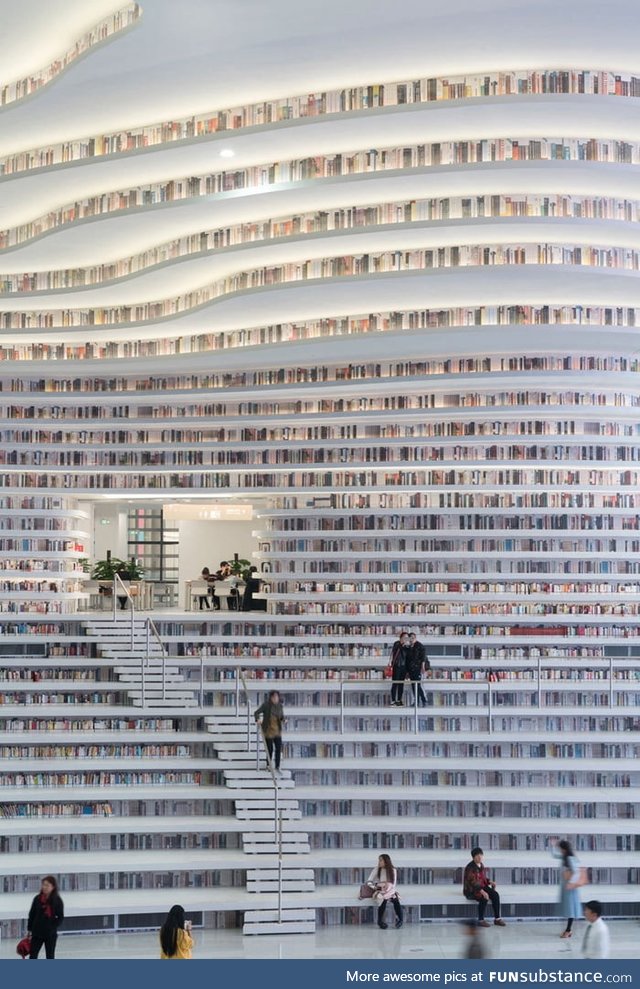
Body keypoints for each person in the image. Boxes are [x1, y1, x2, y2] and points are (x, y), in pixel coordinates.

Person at [463, 847, 506, 927]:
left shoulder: (481, 865)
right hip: (471, 889)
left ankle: (497, 919)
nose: (480, 857)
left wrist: (490, 882)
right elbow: (472, 882)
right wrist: (482, 891)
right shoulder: (470, 867)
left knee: (495, 895)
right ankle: (481, 920)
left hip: (481, 886)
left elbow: (482, 878)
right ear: (473, 857)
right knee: (484, 897)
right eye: (477, 856)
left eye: (481, 855)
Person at [27, 875, 64, 959]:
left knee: (50, 956)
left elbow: (60, 917)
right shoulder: (37, 899)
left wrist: (52, 926)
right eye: (43, 884)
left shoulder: (57, 900)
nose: (44, 887)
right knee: (33, 955)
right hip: (37, 933)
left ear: (53, 887)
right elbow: (31, 914)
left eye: (47, 885)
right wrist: (29, 929)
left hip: (50, 934)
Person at [551, 839, 582, 938]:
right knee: (569, 909)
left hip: (569, 887)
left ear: (564, 849)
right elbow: (554, 855)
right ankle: (568, 930)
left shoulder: (569, 858)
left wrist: (571, 883)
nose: (559, 850)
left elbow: (576, 872)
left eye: (560, 848)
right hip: (566, 887)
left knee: (570, 909)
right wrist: (553, 846)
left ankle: (568, 930)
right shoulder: (565, 857)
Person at [366, 854, 403, 929]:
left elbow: (393, 884)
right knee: (383, 900)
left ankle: (400, 920)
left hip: (390, 890)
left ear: (386, 861)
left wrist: (388, 891)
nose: (379, 862)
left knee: (396, 900)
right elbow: (369, 881)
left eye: (381, 860)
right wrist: (376, 888)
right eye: (379, 860)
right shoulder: (376, 869)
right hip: (380, 890)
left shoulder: (393, 870)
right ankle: (380, 921)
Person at [254, 690, 285, 775]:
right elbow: (256, 712)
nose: (275, 699)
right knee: (270, 749)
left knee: (278, 749)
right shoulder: (266, 705)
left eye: (277, 697)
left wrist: (284, 720)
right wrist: (258, 719)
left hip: (277, 731)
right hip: (268, 730)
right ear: (271, 697)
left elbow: (281, 716)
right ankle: (268, 764)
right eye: (274, 697)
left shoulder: (280, 706)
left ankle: (277, 766)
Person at [407, 632, 429, 706]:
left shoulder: (420, 646)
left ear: (415, 638)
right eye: (410, 638)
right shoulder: (409, 647)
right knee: (413, 686)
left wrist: (422, 667)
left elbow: (423, 657)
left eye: (413, 638)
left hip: (418, 668)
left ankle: (424, 700)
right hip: (411, 669)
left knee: (418, 685)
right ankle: (416, 701)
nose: (411, 640)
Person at [390, 631, 410, 706]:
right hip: (397, 666)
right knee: (395, 683)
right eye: (404, 637)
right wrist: (402, 644)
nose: (406, 639)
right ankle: (393, 700)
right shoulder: (397, 643)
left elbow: (408, 656)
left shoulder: (407, 646)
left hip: (403, 667)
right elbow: (396, 649)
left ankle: (399, 699)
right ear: (401, 638)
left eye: (407, 637)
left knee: (401, 684)